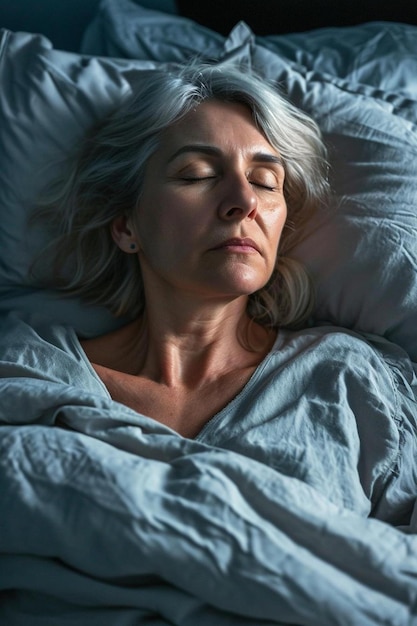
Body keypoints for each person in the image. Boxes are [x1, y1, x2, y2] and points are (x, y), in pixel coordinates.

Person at [32, 61, 416, 524]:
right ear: (126, 226)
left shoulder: (347, 379)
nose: (244, 200)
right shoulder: (34, 376)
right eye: (196, 174)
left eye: (264, 181)